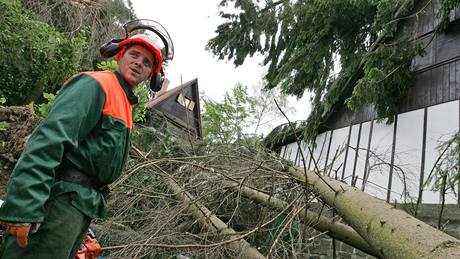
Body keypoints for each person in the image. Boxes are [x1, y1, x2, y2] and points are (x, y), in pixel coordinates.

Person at [0, 20, 172, 258]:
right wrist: (24, 207)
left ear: (151, 76)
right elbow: (49, 140)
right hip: (57, 202)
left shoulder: (123, 102)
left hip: (79, 206)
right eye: (134, 55)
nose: (138, 63)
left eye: (146, 63)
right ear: (118, 56)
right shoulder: (96, 84)